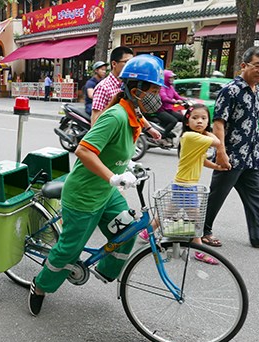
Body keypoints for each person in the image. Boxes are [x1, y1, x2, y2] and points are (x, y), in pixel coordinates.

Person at [28, 54, 166, 316]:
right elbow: (84, 151)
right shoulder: (115, 116)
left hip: (105, 194)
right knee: (68, 251)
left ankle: (102, 270)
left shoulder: (133, 112)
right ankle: (40, 285)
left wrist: (125, 167)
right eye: (154, 90)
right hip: (84, 195)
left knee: (126, 231)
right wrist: (113, 177)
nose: (157, 96)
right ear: (136, 91)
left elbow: (115, 152)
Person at [201, 46, 259, 249]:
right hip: (231, 156)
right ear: (244, 65)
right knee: (216, 195)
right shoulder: (231, 90)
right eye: (258, 66)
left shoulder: (256, 91)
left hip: (251, 157)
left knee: (256, 195)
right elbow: (219, 123)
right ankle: (202, 231)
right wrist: (221, 152)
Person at [138, 104, 226, 264]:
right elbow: (217, 142)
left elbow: (201, 159)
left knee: (168, 213)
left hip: (183, 185)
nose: (199, 121)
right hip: (186, 186)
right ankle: (199, 250)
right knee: (196, 219)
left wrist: (216, 167)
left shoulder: (197, 139)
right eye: (195, 118)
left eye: (203, 118)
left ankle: (146, 232)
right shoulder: (191, 137)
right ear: (187, 122)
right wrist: (208, 129)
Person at [90, 46, 134, 125]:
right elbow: (95, 122)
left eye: (132, 63)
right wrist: (113, 102)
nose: (131, 66)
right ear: (114, 64)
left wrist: (149, 128)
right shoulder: (103, 88)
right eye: (127, 62)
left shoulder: (127, 85)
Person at [155, 70, 185, 144]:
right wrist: (175, 102)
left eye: (173, 78)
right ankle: (163, 137)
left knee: (184, 118)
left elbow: (177, 96)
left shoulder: (170, 87)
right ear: (165, 78)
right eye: (170, 78)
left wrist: (186, 100)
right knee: (173, 121)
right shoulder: (162, 87)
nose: (172, 79)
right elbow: (164, 98)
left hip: (168, 110)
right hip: (160, 110)